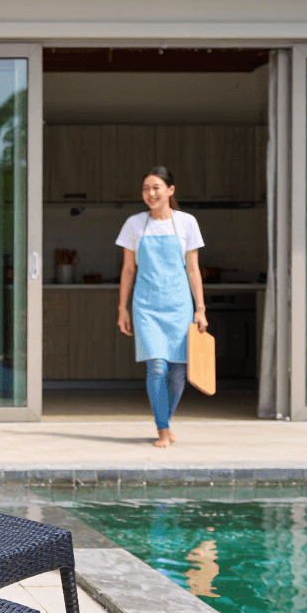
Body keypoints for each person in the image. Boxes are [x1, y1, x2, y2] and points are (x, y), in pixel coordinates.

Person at [115, 167, 208, 449]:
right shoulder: (134, 224)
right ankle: (163, 429)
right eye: (145, 188)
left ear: (171, 190)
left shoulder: (187, 223)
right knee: (157, 366)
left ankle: (166, 417)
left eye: (156, 187)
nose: (150, 193)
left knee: (179, 371)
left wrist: (200, 309)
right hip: (146, 306)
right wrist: (123, 308)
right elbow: (128, 269)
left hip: (179, 305)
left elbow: (193, 269)